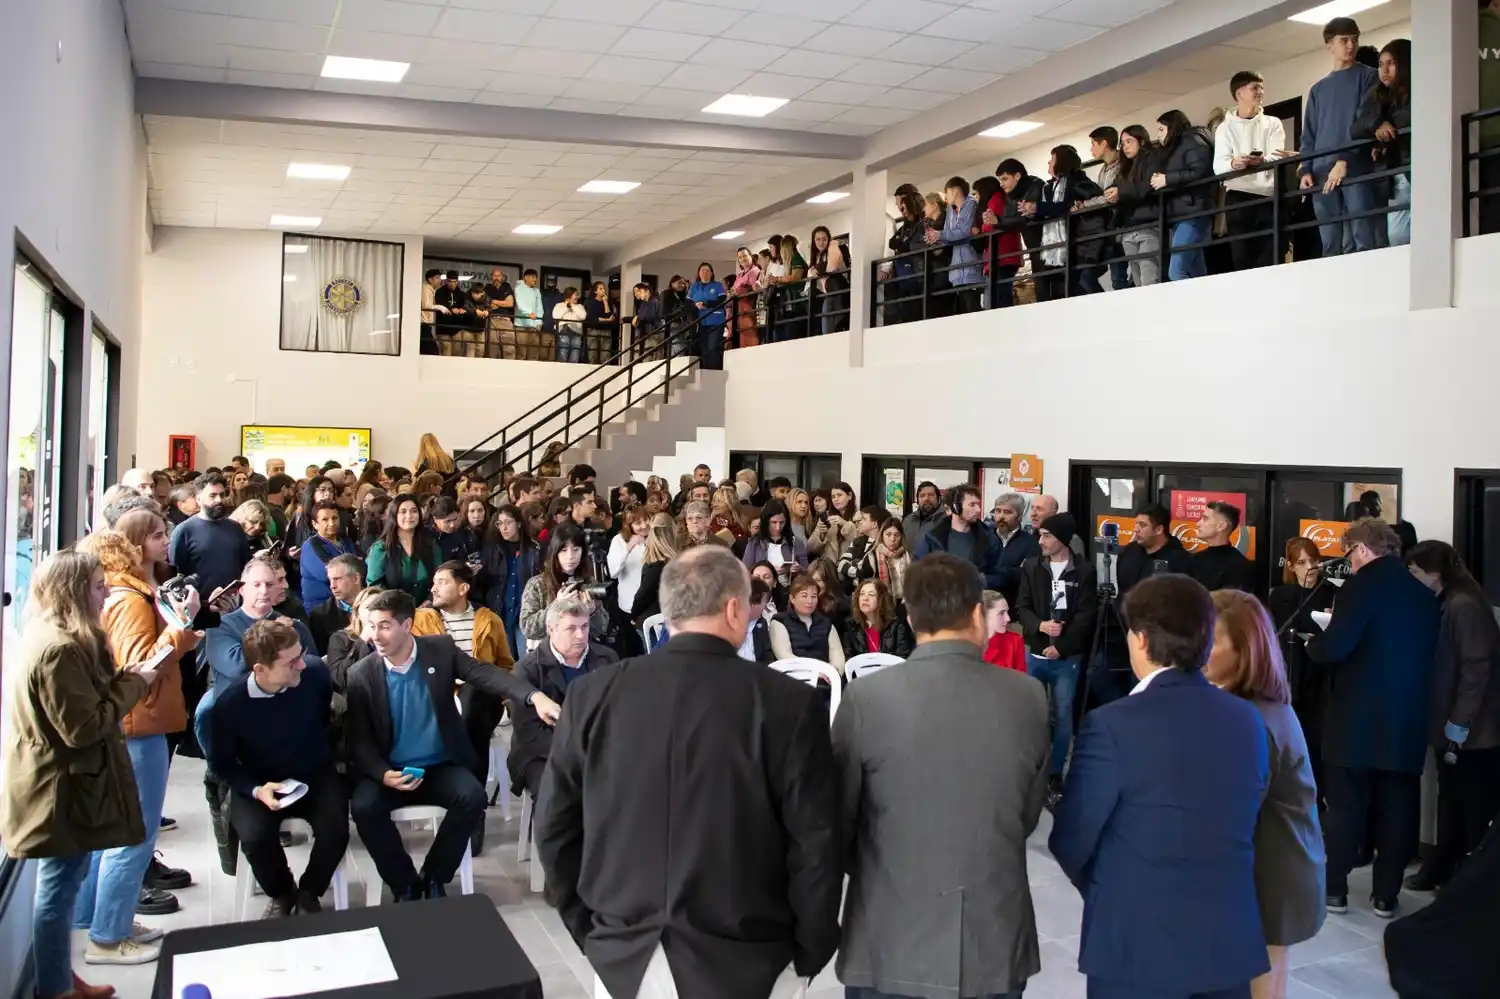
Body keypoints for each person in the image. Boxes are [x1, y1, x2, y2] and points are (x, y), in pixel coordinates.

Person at [535, 546, 842, 999]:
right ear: (735, 609)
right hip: (749, 955)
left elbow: (555, 830)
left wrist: (594, 930)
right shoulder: (789, 703)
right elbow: (815, 843)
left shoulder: (592, 695)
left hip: (627, 952)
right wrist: (811, 949)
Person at [834, 553, 1048, 999]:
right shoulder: (1026, 696)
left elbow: (839, 820)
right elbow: (1026, 813)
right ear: (976, 614)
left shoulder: (866, 697)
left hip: (889, 933)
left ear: (911, 619)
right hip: (992, 936)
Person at [1050, 573, 1271, 999]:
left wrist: (1115, 886)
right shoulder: (1247, 719)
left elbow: (1072, 838)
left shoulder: (1112, 724)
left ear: (1141, 641)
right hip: (1226, 941)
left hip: (1137, 943)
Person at [3, 550, 159, 993]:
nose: (106, 591)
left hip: (61, 782)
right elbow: (83, 727)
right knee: (56, 893)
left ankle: (60, 979)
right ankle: (56, 989)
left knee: (62, 888)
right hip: (58, 789)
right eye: (96, 585)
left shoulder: (56, 635)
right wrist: (136, 682)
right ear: (73, 592)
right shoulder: (60, 650)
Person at [346, 588, 559, 901]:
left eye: (383, 626)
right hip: (390, 771)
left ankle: (434, 876)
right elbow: (359, 739)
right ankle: (404, 884)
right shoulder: (360, 674)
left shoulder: (439, 650)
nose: (374, 635)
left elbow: (484, 674)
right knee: (364, 807)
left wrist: (533, 696)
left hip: (437, 766)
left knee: (472, 797)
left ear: (406, 626)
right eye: (371, 625)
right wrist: (381, 774)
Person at [69, 524, 196, 956]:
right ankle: (109, 934)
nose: (164, 542)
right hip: (139, 723)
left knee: (115, 830)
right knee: (134, 832)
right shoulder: (131, 601)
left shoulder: (123, 598)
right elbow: (142, 664)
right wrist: (182, 625)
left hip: (130, 721)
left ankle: (95, 918)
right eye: (157, 534)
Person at [1307, 517, 1440, 917]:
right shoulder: (1423, 594)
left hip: (1355, 718)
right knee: (1398, 807)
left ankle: (1335, 891)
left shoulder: (1359, 586)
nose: (1347, 561)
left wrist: (1315, 645)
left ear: (1362, 549)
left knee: (1346, 806)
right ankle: (1386, 896)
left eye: (1349, 552)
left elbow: (1337, 647)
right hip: (1406, 718)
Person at [1206, 591, 1327, 999]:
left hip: (1271, 878)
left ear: (1245, 650)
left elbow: (1223, 816)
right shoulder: (1252, 706)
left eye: (1211, 639)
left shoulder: (1252, 720)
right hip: (1276, 871)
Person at [208, 619, 348, 917]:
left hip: (313, 771)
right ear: (260, 669)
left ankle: (310, 892)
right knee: (255, 838)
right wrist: (256, 790)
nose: (302, 665)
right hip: (260, 780)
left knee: (336, 827)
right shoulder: (231, 705)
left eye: (301, 655)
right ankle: (283, 892)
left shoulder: (314, 675)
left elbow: (324, 718)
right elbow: (221, 764)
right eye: (291, 662)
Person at [1401, 540, 1500, 891]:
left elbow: (1476, 669)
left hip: (1473, 731)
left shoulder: (1464, 606)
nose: (1412, 578)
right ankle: (1443, 870)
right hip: (1453, 726)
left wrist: (1460, 722)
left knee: (1472, 809)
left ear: (1434, 572)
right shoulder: (1447, 603)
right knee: (1451, 803)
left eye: (1414, 571)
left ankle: (1471, 885)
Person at [1015, 513, 1099, 803]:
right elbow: (1021, 606)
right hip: (1036, 655)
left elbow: (1086, 618)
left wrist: (1061, 646)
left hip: (1066, 660)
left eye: (1047, 536)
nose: (1041, 541)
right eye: (1040, 535)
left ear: (1062, 539)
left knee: (1062, 717)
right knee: (1031, 715)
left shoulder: (1085, 571)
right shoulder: (1031, 566)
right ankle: (1030, 769)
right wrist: (1039, 626)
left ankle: (1054, 775)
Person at [507, 594, 618, 798]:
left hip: (598, 748)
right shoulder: (527, 669)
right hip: (542, 754)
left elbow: (618, 711)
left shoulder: (607, 659)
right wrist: (576, 753)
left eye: (584, 627)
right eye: (571, 628)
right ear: (551, 630)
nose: (580, 635)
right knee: (557, 792)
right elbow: (529, 734)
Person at [1299, 16, 1382, 256]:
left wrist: (1344, 160)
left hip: (1356, 167)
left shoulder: (1369, 76)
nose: (1350, 45)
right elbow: (1309, 134)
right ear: (1329, 45)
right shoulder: (1318, 89)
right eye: (1344, 40)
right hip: (1322, 172)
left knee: (1362, 238)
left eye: (1354, 40)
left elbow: (1364, 121)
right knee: (1330, 244)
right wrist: (1306, 169)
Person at [1266, 538, 1334, 795]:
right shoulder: (1282, 595)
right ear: (1292, 566)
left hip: (1319, 673)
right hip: (1290, 669)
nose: (1310, 568)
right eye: (1303, 563)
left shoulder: (1330, 593)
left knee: (1316, 737)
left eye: (1314, 561)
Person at [1212, 71, 1288, 272]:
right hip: (1238, 197)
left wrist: (1262, 160)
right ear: (1239, 94)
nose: (1260, 92)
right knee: (1242, 258)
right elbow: (1218, 166)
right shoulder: (1224, 128)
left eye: (1261, 87)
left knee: (1272, 255)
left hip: (1269, 195)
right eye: (1255, 87)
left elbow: (1279, 155)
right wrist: (1234, 164)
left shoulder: (1273, 123)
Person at [1353, 38, 1413, 247]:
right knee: (1397, 238)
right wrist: (1377, 125)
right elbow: (1356, 127)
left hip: (1417, 171)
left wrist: (1386, 131)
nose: (1384, 70)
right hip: (1395, 175)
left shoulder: (1419, 88)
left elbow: (1410, 117)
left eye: (1391, 63)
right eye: (1380, 64)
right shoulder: (1379, 94)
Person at [168, 472, 253, 613]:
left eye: (222, 494)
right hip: (201, 608)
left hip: (236, 606)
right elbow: (176, 575)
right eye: (213, 496)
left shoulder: (235, 528)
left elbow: (246, 565)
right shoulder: (184, 531)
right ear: (199, 499)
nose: (219, 500)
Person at [1028, 144, 1105, 300]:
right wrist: (1030, 212)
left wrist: (1038, 209)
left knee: (1082, 285)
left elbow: (1064, 206)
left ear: (1061, 162)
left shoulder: (1078, 182)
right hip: (1055, 252)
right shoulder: (1048, 188)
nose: (1049, 163)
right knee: (1061, 292)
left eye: (1052, 159)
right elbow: (1050, 209)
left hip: (1079, 244)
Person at [518, 521, 610, 645]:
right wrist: (556, 606)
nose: (570, 556)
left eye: (576, 549)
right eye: (564, 550)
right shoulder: (537, 584)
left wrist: (592, 612)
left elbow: (601, 629)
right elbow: (527, 628)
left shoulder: (588, 581)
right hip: (548, 656)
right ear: (554, 553)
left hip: (581, 650)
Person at [1151, 109, 1215, 281]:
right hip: (1185, 213)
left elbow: (1200, 171)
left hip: (1193, 213)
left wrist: (1167, 179)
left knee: (1176, 271)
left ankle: (1193, 308)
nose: (1158, 135)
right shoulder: (1180, 145)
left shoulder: (1191, 140)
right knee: (1197, 274)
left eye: (1161, 129)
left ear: (1172, 127)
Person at [480, 504, 541, 660]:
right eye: (500, 523)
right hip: (501, 611)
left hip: (524, 612)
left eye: (508, 522)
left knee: (526, 660)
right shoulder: (494, 549)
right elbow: (487, 581)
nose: (504, 527)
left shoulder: (533, 549)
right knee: (505, 661)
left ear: (518, 523)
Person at [916, 484, 1001, 588]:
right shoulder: (933, 538)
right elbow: (917, 571)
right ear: (956, 507)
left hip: (974, 600)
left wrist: (978, 580)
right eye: (972, 504)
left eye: (978, 504)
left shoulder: (989, 539)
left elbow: (1001, 575)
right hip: (940, 601)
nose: (978, 509)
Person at [365, 495, 441, 607]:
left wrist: (428, 602)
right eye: (403, 512)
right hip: (393, 612)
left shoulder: (430, 543)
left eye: (414, 511)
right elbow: (375, 588)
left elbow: (440, 576)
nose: (409, 516)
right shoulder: (380, 548)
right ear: (394, 515)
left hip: (428, 610)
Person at [923, 177, 981, 314]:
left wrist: (940, 235)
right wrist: (935, 239)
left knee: (973, 308)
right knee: (962, 312)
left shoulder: (972, 204)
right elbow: (949, 233)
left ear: (955, 191)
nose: (946, 197)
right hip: (956, 271)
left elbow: (965, 231)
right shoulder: (950, 209)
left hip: (971, 266)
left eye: (947, 192)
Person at [769, 572, 846, 673]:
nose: (809, 601)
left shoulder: (826, 623)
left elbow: (837, 654)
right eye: (804, 596)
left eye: (813, 596)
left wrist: (833, 673)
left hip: (826, 679)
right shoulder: (780, 621)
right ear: (792, 598)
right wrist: (815, 672)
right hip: (794, 678)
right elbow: (785, 656)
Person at [299, 500, 356, 607]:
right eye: (325, 519)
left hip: (346, 602)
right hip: (321, 607)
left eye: (335, 518)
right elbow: (328, 575)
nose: (331, 523)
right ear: (315, 524)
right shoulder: (311, 546)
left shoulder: (345, 542)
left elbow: (362, 567)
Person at [1191, 501, 1256, 592]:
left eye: (1205, 519)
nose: (1198, 524)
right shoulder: (1194, 559)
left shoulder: (1239, 567)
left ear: (1221, 526)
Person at [842, 579, 914, 660]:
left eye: (871, 595)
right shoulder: (851, 625)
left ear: (881, 599)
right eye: (862, 594)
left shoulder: (896, 625)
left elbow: (903, 657)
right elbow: (849, 658)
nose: (865, 598)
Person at [307, 552, 364, 656]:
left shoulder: (379, 604)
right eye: (330, 580)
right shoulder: (320, 615)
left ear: (356, 578)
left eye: (337, 579)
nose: (332, 586)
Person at [742, 499, 809, 586]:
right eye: (774, 522)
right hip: (762, 590)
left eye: (782, 522)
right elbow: (744, 572)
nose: (778, 527)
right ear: (766, 521)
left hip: (788, 590)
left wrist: (798, 569)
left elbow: (807, 572)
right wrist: (767, 572)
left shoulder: (796, 543)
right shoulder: (754, 543)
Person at [990, 492, 1040, 607]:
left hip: (1013, 609)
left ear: (1020, 516)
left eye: (1007, 512)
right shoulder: (983, 537)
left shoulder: (1030, 543)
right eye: (998, 511)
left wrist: (994, 571)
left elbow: (1026, 577)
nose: (1001, 516)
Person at [687, 263, 728, 368]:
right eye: (702, 270)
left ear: (712, 273)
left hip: (715, 321)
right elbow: (688, 302)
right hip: (700, 322)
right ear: (699, 273)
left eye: (707, 270)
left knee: (712, 347)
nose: (704, 273)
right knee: (704, 348)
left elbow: (722, 300)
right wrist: (695, 305)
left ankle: (714, 372)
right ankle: (706, 372)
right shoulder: (695, 286)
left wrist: (706, 304)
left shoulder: (717, 285)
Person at [983, 589, 1026, 672]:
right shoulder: (967, 645)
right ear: (984, 615)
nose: (1008, 619)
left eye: (1007, 612)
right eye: (1001, 613)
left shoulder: (1015, 641)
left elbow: (1021, 679)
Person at [729, 247, 762, 349]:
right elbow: (733, 289)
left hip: (748, 309)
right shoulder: (739, 275)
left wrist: (739, 291)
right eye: (740, 257)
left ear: (750, 256)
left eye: (745, 256)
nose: (743, 259)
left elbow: (753, 290)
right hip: (737, 310)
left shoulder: (755, 271)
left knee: (749, 338)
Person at [902, 481, 944, 552]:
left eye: (931, 495)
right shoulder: (908, 520)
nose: (926, 498)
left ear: (939, 499)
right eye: (922, 495)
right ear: (917, 500)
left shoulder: (947, 521)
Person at [583, 281, 617, 364]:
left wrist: (605, 302)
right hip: (593, 330)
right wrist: (606, 320)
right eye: (601, 289)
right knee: (592, 355)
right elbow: (592, 318)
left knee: (606, 355)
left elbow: (609, 315)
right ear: (595, 291)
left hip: (606, 330)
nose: (603, 290)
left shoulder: (608, 301)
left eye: (604, 288)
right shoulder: (590, 302)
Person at [552, 286, 588, 364]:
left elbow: (583, 316)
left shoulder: (580, 306)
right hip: (563, 331)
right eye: (576, 294)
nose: (578, 297)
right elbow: (556, 316)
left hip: (576, 332)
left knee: (575, 354)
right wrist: (566, 307)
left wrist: (573, 306)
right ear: (569, 295)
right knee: (563, 351)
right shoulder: (559, 305)